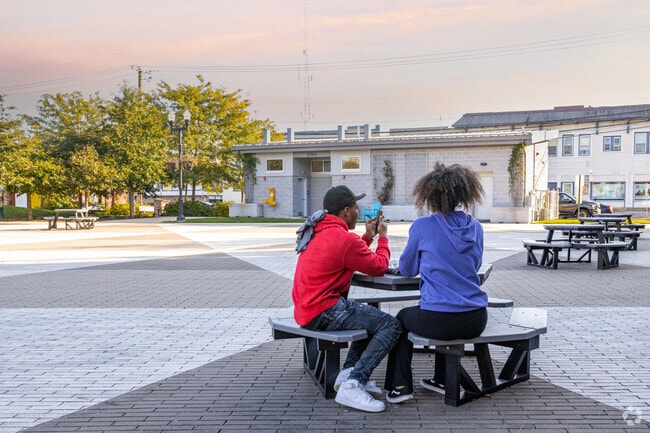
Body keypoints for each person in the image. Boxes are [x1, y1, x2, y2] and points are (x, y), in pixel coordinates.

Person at [383, 162, 488, 404]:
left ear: (428, 196)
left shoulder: (423, 226)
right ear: (465, 194)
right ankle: (441, 379)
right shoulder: (477, 227)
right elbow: (476, 265)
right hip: (476, 318)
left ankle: (400, 386)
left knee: (400, 319)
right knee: (438, 311)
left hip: (439, 320)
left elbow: (408, 269)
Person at [292, 185, 402, 413]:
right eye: (355, 207)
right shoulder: (343, 238)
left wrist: (367, 238)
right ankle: (355, 383)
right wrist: (383, 238)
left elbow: (347, 255)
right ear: (345, 211)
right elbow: (378, 266)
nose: (359, 210)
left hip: (307, 310)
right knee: (391, 325)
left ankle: (348, 374)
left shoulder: (320, 230)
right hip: (324, 309)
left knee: (370, 319)